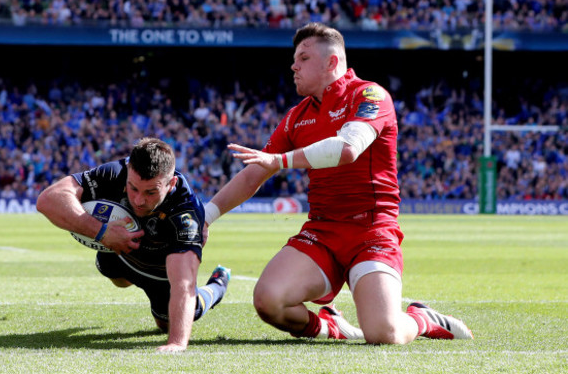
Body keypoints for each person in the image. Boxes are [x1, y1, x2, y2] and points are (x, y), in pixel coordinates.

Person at [203, 22, 473, 344]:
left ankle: (420, 317)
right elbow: (255, 172)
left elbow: (347, 149)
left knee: (384, 334)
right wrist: (206, 217)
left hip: (371, 230)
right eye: (294, 58)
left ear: (331, 62)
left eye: (303, 57)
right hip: (323, 231)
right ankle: (329, 327)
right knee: (268, 301)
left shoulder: (371, 95)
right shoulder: (296, 116)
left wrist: (282, 160)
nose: (293, 65)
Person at [37, 137, 230, 352]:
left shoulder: (186, 212)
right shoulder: (115, 172)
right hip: (117, 254)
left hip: (160, 273)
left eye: (150, 192)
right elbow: (49, 199)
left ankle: (217, 287)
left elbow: (182, 284)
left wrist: (176, 343)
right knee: (117, 279)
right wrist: (102, 232)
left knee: (167, 324)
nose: (138, 200)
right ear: (128, 169)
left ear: (171, 184)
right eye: (133, 188)